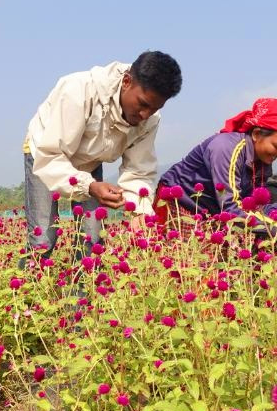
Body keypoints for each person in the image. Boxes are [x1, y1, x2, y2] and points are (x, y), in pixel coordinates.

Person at [23, 51, 182, 260]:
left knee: (91, 241)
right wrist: (89, 186)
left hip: (89, 161)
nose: (145, 115)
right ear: (126, 81)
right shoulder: (79, 91)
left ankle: (82, 292)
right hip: (45, 154)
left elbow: (139, 169)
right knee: (42, 238)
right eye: (142, 104)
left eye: (154, 108)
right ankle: (30, 290)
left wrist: (139, 209)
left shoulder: (150, 120)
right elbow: (51, 154)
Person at [158, 98, 277, 227]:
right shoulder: (227, 149)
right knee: (187, 261)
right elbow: (230, 207)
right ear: (257, 133)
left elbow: (250, 206)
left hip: (211, 209)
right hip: (180, 201)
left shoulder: (262, 161)